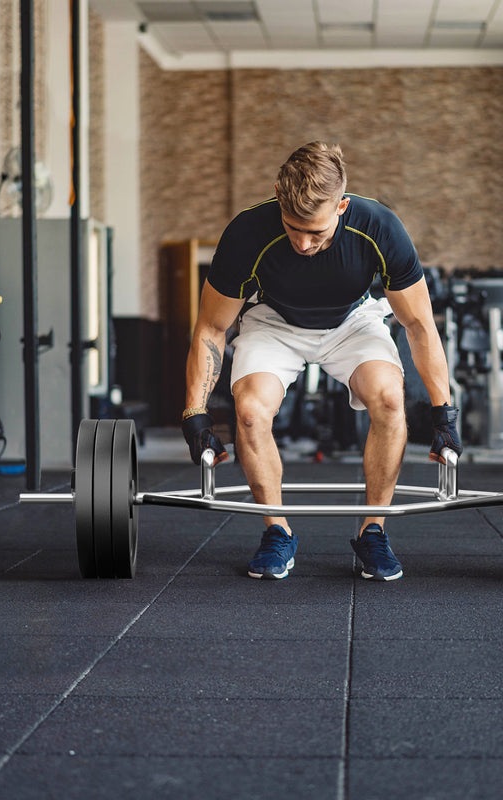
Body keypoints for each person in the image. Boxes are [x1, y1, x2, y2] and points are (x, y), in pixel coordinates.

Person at [181, 141, 461, 581]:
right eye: (294, 228)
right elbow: (212, 329)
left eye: (318, 232)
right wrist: (195, 415)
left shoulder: (380, 228)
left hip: (352, 321)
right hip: (274, 323)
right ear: (277, 196)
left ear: (343, 207)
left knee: (390, 399)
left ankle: (374, 532)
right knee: (251, 412)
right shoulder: (247, 234)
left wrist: (445, 412)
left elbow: (420, 325)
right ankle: (277, 533)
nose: (305, 243)